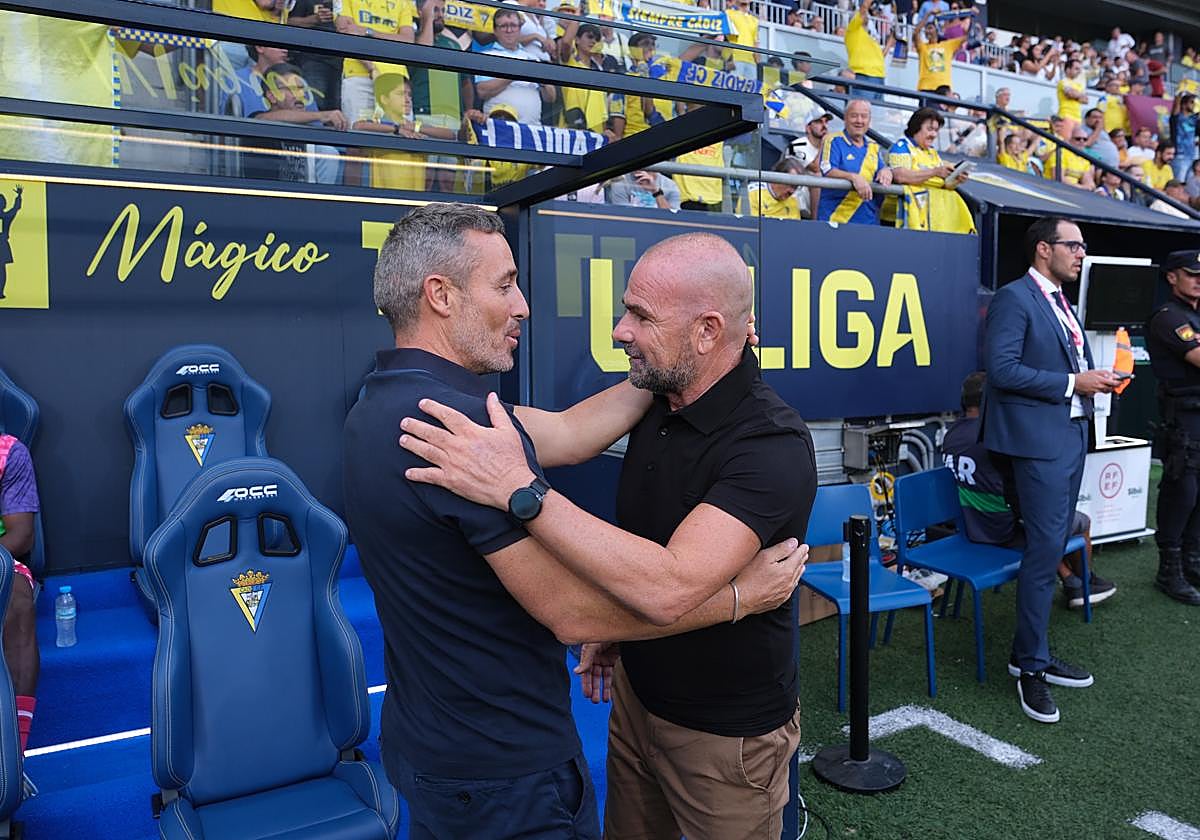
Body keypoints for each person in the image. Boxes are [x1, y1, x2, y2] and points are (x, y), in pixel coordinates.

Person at [343, 204, 809, 836]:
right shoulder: (460, 429)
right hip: (500, 762)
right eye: (505, 283)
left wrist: (685, 358)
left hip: (447, 743)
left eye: (640, 316)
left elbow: (570, 432)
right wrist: (740, 596)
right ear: (440, 295)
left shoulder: (387, 402)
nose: (523, 305)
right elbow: (578, 611)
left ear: (706, 331)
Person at [982, 216, 1120, 724]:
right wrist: (1073, 383)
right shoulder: (1015, 298)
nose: (1082, 254)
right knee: (1043, 553)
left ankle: (1032, 651)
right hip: (1037, 445)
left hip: (1069, 438)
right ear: (1044, 249)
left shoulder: (1060, 301)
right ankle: (1029, 666)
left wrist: (1090, 382)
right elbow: (1002, 370)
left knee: (1052, 545)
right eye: (1074, 245)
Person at [942, 372, 1115, 609]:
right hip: (1002, 531)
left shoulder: (951, 434)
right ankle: (1085, 582)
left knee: (1037, 520)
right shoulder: (995, 437)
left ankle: (1069, 579)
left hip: (971, 524)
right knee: (1076, 522)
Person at [1146, 249, 1200, 606]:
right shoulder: (1168, 317)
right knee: (1182, 493)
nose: (1198, 279)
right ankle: (1169, 570)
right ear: (1171, 277)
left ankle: (1192, 562)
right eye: (1191, 273)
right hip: (1183, 418)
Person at [0, 431, 40, 755]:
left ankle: (13, 749)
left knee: (16, 600)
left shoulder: (9, 452)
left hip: (0, 558)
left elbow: (21, 535)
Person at [885, 107, 974, 232]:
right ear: (916, 127)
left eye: (936, 130)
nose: (934, 135)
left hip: (928, 220)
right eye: (930, 129)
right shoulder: (901, 147)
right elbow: (900, 176)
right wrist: (935, 172)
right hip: (899, 221)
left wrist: (956, 179)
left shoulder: (932, 153)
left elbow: (941, 184)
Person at [334, 0, 415, 126]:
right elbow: (347, 33)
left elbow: (408, 40)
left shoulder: (403, 2)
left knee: (404, 133)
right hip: (359, 74)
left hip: (396, 78)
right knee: (358, 132)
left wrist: (368, 32)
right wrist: (371, 67)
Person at [473, 9, 556, 126]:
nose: (509, 30)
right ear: (495, 31)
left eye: (513, 25)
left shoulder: (533, 59)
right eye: (503, 26)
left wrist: (542, 81)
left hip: (532, 129)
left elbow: (551, 97)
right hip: (499, 126)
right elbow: (482, 91)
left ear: (519, 29)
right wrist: (517, 73)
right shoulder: (487, 57)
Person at [818, 98, 894, 224]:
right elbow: (827, 169)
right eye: (854, 116)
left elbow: (881, 169)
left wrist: (887, 170)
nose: (859, 121)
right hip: (836, 219)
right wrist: (853, 177)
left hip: (869, 221)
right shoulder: (832, 140)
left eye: (864, 117)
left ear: (869, 121)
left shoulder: (873, 146)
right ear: (845, 118)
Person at [844, 0, 893, 101]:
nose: (865, 15)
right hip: (864, 75)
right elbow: (864, 7)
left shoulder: (870, 38)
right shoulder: (853, 30)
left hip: (879, 77)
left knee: (878, 114)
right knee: (862, 109)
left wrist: (890, 42)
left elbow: (880, 56)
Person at [914, 9, 965, 94]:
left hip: (944, 88)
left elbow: (965, 37)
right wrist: (928, 14)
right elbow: (916, 33)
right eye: (926, 29)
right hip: (926, 87)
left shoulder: (948, 45)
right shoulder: (922, 47)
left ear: (937, 30)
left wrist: (970, 15)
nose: (927, 31)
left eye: (930, 28)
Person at [608, 170, 681, 210]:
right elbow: (622, 216)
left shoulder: (670, 185)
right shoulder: (621, 182)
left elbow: (672, 218)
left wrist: (656, 192)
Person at [1170, 93, 1199, 182]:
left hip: (1193, 156)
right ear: (1183, 104)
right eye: (1191, 102)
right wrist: (1180, 94)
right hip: (1180, 155)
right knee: (1179, 182)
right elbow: (1175, 110)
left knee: (1190, 183)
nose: (1193, 104)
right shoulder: (1177, 118)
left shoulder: (1194, 119)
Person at [1056, 59, 1088, 138]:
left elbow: (1086, 100)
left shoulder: (1079, 85)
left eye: (1079, 69)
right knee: (1065, 142)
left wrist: (1075, 95)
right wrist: (1079, 96)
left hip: (1078, 117)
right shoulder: (1063, 81)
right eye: (1076, 68)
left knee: (1074, 145)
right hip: (1066, 115)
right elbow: (1070, 94)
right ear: (1068, 69)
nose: (1079, 71)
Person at [0, 184, 21, 300]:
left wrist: (19, 196)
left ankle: (0, 292)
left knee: (1, 270)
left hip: (2, 244)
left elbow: (16, 208)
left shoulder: (6, 216)